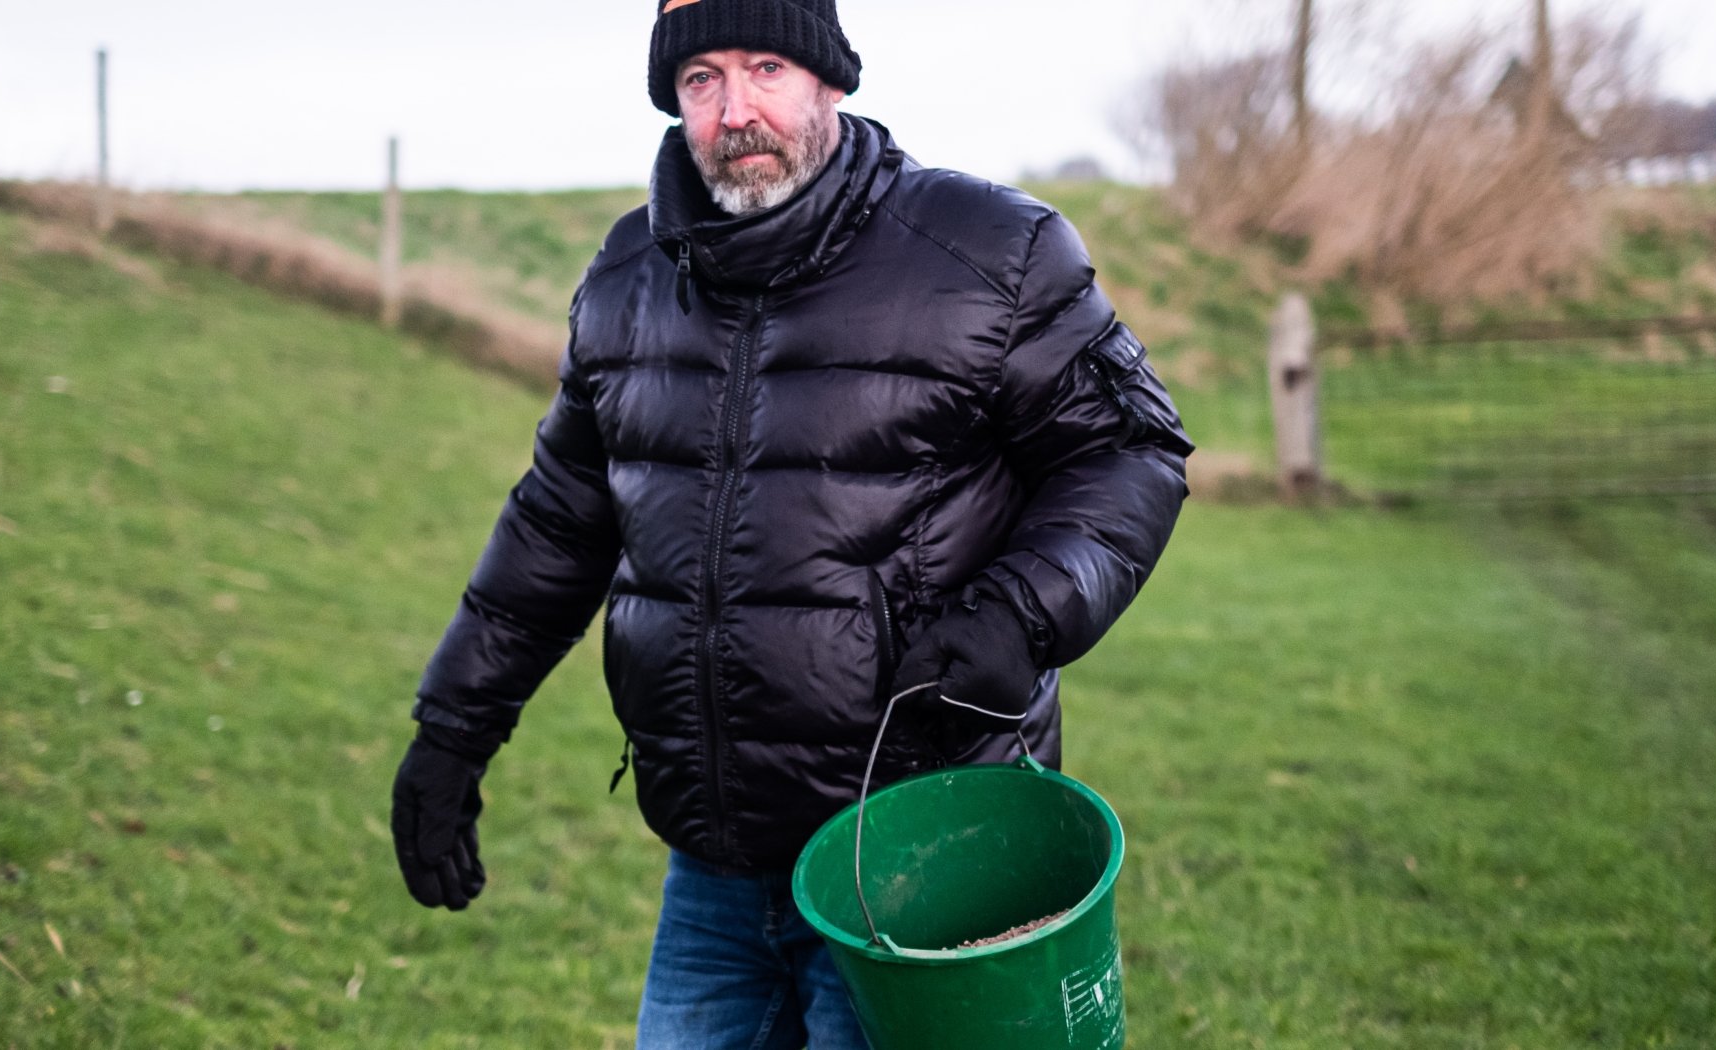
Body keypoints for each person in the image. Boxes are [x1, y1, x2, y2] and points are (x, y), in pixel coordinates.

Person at [387, 0, 1193, 1045]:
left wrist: (1020, 613)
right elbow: (557, 522)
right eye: (701, 81)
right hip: (712, 867)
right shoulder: (626, 280)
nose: (735, 112)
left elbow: (1127, 451)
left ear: (831, 81)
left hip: (920, 850)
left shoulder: (994, 251)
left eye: (765, 67)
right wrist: (453, 732)